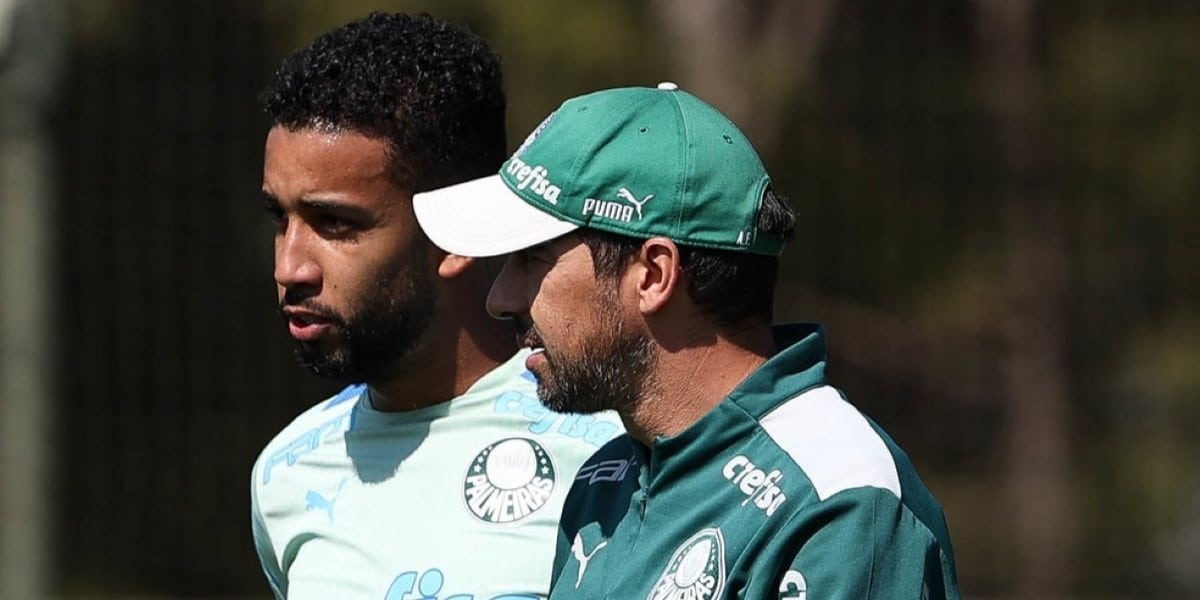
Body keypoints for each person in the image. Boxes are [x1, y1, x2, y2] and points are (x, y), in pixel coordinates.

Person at [413, 82, 961, 599]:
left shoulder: (840, 501)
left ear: (653, 274)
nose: (500, 298)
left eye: (531, 258)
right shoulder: (607, 479)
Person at [249, 13, 622, 599]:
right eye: (281, 219)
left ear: (453, 233)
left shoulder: (611, 450)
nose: (290, 268)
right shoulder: (286, 476)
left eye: (336, 223)